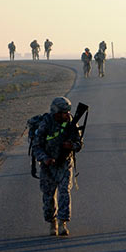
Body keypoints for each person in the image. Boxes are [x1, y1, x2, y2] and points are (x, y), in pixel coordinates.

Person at [31, 97, 83, 236]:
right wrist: (45, 159)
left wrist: (71, 146)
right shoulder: (46, 123)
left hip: (65, 163)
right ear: (56, 112)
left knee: (64, 193)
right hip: (48, 166)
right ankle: (52, 222)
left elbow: (79, 143)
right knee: (48, 196)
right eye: (64, 112)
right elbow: (36, 146)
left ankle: (62, 223)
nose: (67, 114)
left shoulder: (72, 123)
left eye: (68, 111)